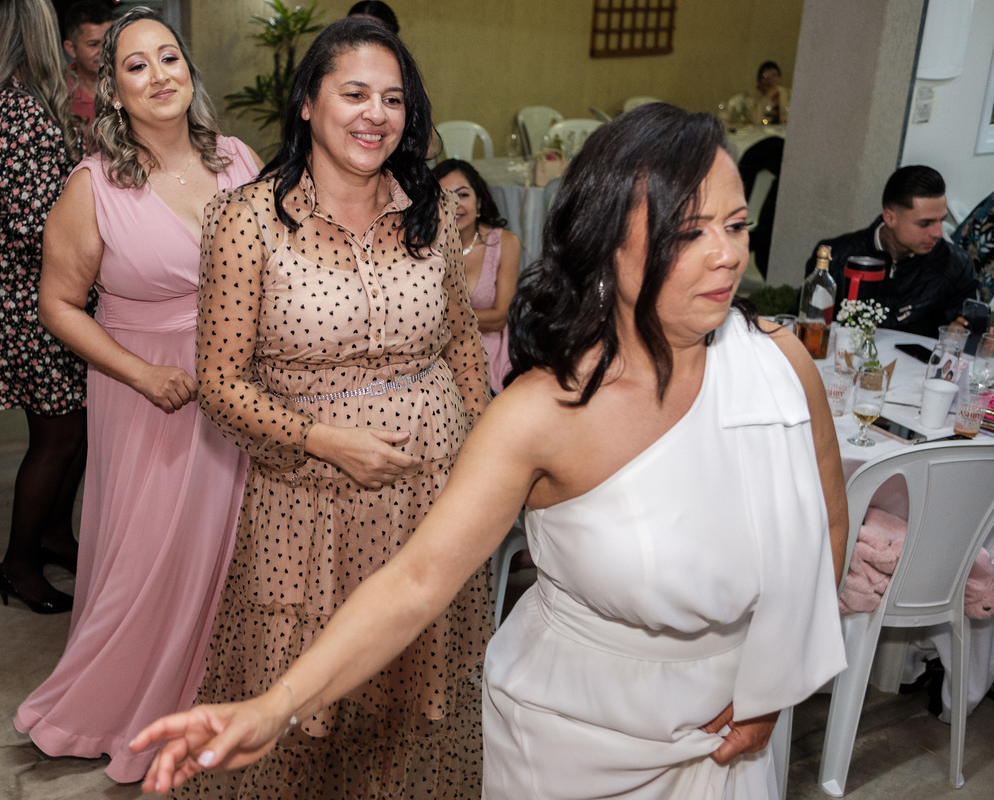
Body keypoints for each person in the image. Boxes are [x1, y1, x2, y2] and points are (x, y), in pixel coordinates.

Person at [131, 104, 850, 799]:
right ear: (606, 242)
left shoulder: (780, 367)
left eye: (736, 225)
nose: (727, 254)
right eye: (689, 233)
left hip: (735, 726)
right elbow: (416, 582)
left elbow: (825, 528)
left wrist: (772, 685)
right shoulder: (540, 415)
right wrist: (276, 704)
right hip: (575, 739)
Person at [164, 17, 491, 799]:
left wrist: (487, 462)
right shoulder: (246, 219)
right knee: (298, 698)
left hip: (432, 497)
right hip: (307, 511)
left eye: (393, 99)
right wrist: (324, 440)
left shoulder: (430, 211)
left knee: (417, 691)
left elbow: (462, 344)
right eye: (355, 94)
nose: (376, 114)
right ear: (308, 102)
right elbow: (220, 383)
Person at [15, 8, 263, 782]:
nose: (159, 75)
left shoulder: (238, 159)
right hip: (151, 391)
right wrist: (141, 373)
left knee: (236, 546)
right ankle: (113, 702)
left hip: (241, 387)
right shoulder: (92, 186)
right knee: (149, 560)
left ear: (190, 70)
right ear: (112, 91)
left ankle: (223, 698)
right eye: (136, 65)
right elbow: (58, 304)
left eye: (169, 58)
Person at [0, 0, 88, 613]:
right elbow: (40, 222)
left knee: (74, 427)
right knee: (57, 434)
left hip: (26, 283)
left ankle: (54, 534)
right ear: (33, 30)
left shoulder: (10, 100)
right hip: (26, 291)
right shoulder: (13, 109)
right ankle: (18, 563)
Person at [806, 165, 979, 338]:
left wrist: (963, 332)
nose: (938, 233)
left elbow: (969, 329)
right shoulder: (835, 256)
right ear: (890, 218)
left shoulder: (955, 264)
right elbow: (807, 323)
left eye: (941, 220)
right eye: (925, 223)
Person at [433, 158, 520, 392]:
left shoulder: (505, 243)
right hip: (439, 359)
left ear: (479, 201)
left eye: (463, 195)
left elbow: (500, 317)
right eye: (443, 197)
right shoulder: (423, 247)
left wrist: (438, 317)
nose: (454, 204)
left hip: (490, 358)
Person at [62, 0, 113, 129]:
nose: (103, 51)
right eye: (93, 44)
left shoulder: (128, 82)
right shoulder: (59, 93)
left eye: (108, 42)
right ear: (71, 49)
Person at [746, 61, 789, 125]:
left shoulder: (787, 94)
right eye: (765, 75)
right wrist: (768, 96)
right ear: (758, 80)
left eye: (774, 75)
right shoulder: (751, 96)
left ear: (779, 78)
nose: (770, 79)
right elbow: (755, 121)